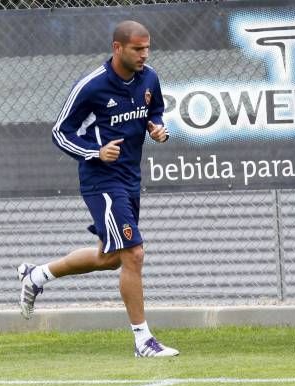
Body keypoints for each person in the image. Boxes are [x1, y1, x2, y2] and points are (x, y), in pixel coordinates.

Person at [17, 20, 178, 358]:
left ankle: (37, 275)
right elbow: (61, 131)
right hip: (101, 181)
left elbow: (157, 111)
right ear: (117, 48)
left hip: (130, 178)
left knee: (110, 259)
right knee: (134, 253)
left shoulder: (150, 78)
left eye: (147, 48)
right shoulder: (92, 86)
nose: (144, 55)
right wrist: (95, 152)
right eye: (137, 49)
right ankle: (143, 341)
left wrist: (159, 129)